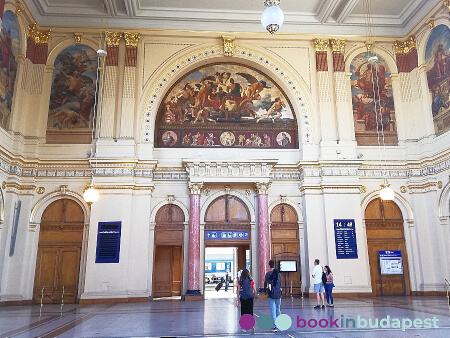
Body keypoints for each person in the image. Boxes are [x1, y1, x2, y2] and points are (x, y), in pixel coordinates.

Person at [264, 260, 282, 332]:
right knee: (278, 309)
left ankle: (274, 326)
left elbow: (265, 283)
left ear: (269, 265)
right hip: (278, 293)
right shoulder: (278, 274)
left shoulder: (268, 274)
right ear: (274, 265)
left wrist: (265, 292)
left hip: (271, 294)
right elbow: (280, 283)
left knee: (272, 310)